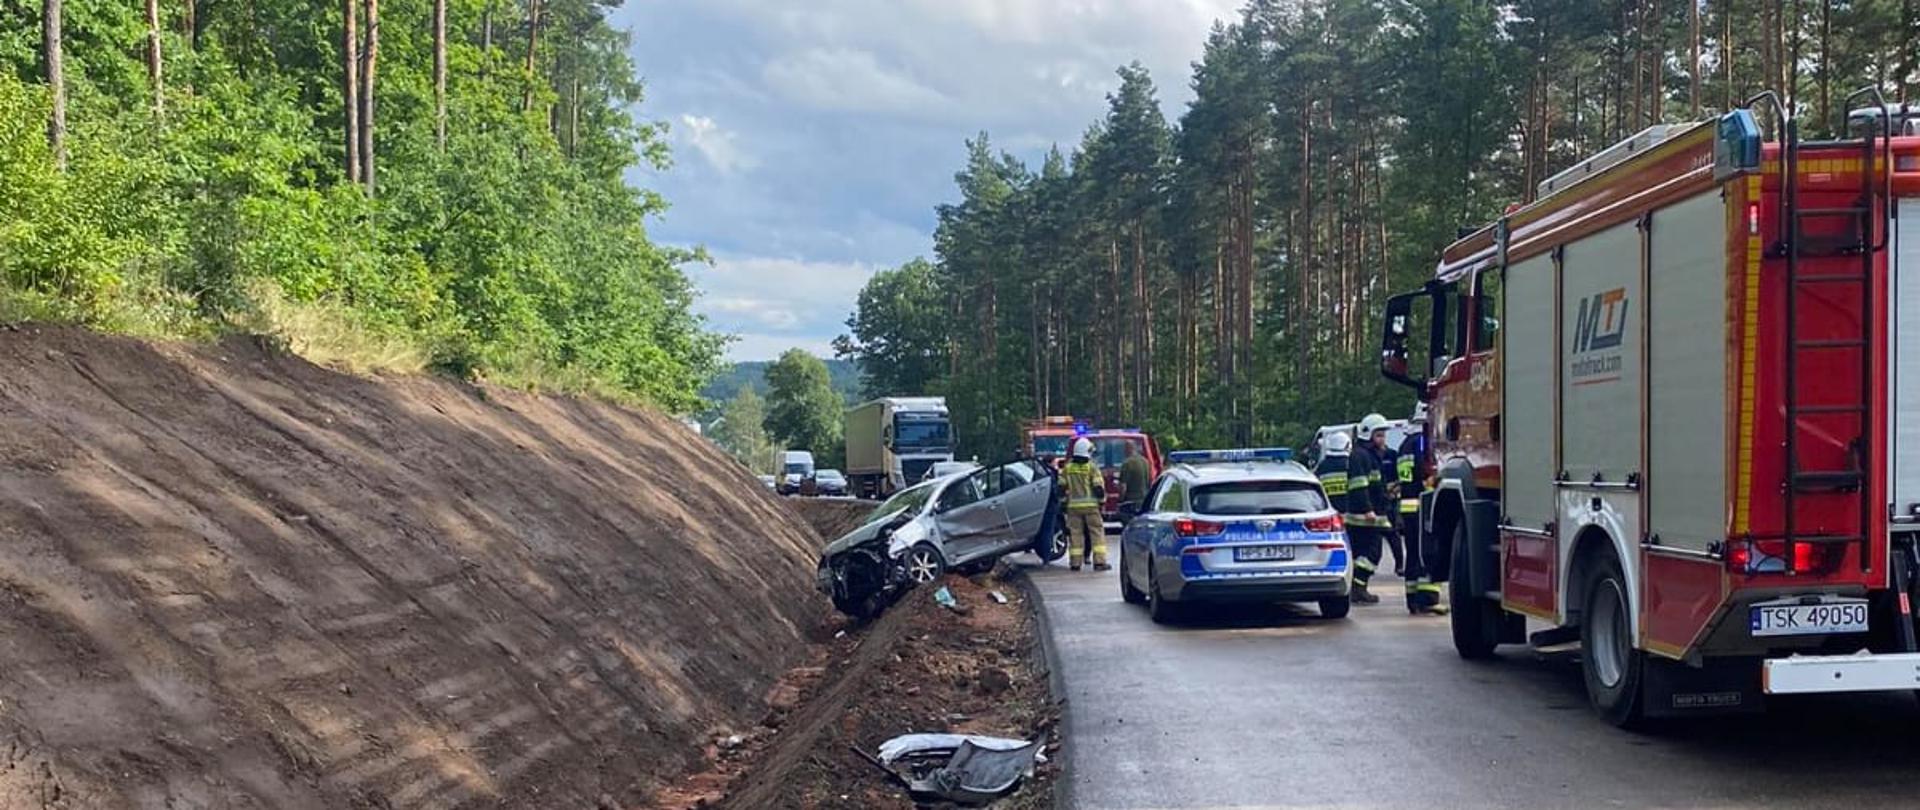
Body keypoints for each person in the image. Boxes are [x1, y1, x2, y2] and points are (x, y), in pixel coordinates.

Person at [1396, 406, 1446, 615]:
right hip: (1424, 505)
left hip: (1407, 506)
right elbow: (1427, 472)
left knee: (1413, 554)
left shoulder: (1404, 444)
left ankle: (1413, 599)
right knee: (1429, 551)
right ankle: (1427, 600)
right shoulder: (1423, 441)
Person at [1344, 414, 1395, 604]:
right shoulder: (1362, 456)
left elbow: (1372, 483)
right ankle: (1358, 589)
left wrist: (1386, 491)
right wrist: (1368, 509)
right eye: (1379, 435)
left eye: (1383, 435)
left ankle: (1358, 588)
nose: (1383, 440)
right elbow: (1359, 485)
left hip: (1368, 513)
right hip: (1364, 517)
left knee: (1362, 554)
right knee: (1372, 553)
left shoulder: (1370, 456)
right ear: (1368, 435)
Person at [1060, 437, 1108, 571]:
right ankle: (1099, 562)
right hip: (1091, 507)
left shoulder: (1068, 468)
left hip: (1073, 508)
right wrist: (1102, 502)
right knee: (1096, 533)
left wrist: (1063, 502)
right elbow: (1098, 489)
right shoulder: (1092, 468)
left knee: (1075, 535)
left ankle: (1075, 563)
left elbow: (1061, 487)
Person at [1118, 441, 1152, 515]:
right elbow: (1150, 481)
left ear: (1128, 449)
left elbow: (1123, 486)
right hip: (1143, 499)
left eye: (1125, 449)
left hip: (1131, 501)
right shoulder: (1145, 462)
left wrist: (1120, 500)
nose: (1124, 451)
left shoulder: (1127, 463)